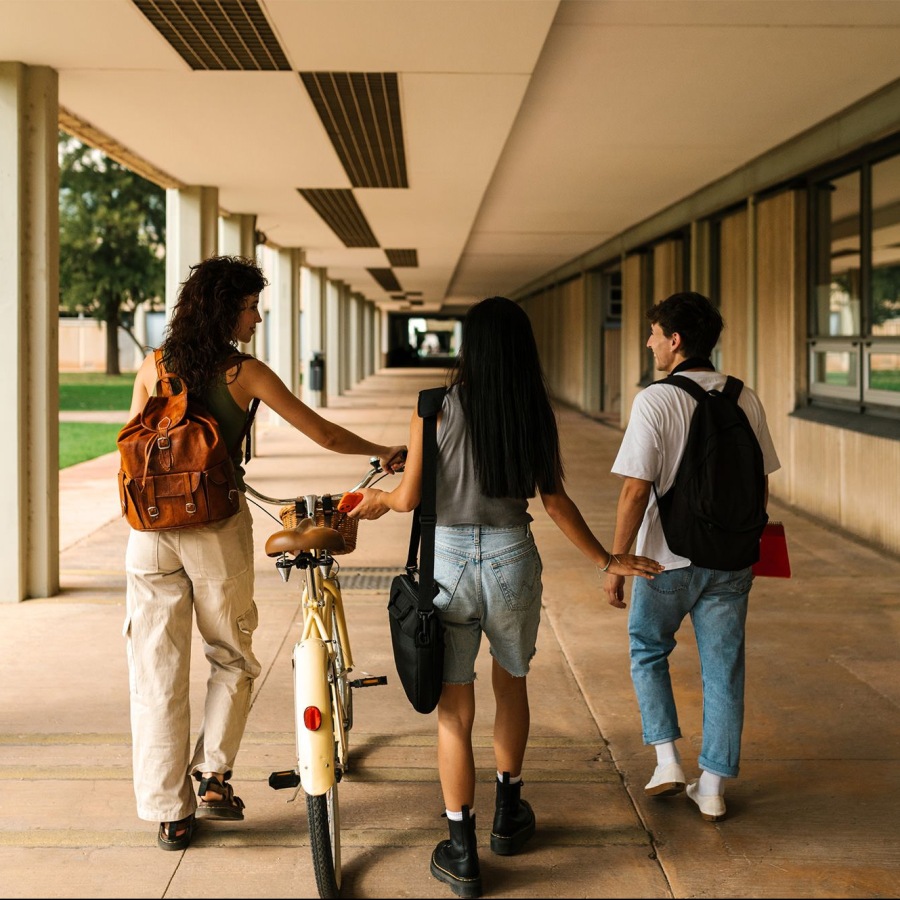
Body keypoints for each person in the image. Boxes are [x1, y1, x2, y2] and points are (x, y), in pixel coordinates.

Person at [350, 296, 663, 898]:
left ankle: (461, 850)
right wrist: (605, 559)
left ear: (470, 347)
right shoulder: (532, 410)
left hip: (446, 564)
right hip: (512, 557)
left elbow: (409, 497)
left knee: (454, 708)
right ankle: (508, 817)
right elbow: (554, 501)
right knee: (511, 682)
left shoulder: (433, 406)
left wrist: (379, 500)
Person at [123, 255, 405, 852]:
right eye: (251, 307)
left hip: (149, 534)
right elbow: (324, 433)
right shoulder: (243, 373)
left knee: (156, 669)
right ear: (226, 310)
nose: (257, 317)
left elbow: (133, 445)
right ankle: (212, 777)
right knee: (231, 654)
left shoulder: (154, 365)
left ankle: (170, 813)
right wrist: (384, 450)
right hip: (214, 528)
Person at [603, 291, 780, 823]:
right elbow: (760, 485)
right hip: (731, 560)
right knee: (723, 670)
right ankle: (714, 787)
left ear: (675, 340)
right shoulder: (745, 397)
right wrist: (744, 542)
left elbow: (635, 490)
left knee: (648, 649)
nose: (649, 342)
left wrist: (617, 559)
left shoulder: (655, 400)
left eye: (654, 333)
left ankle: (666, 761)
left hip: (665, 560)